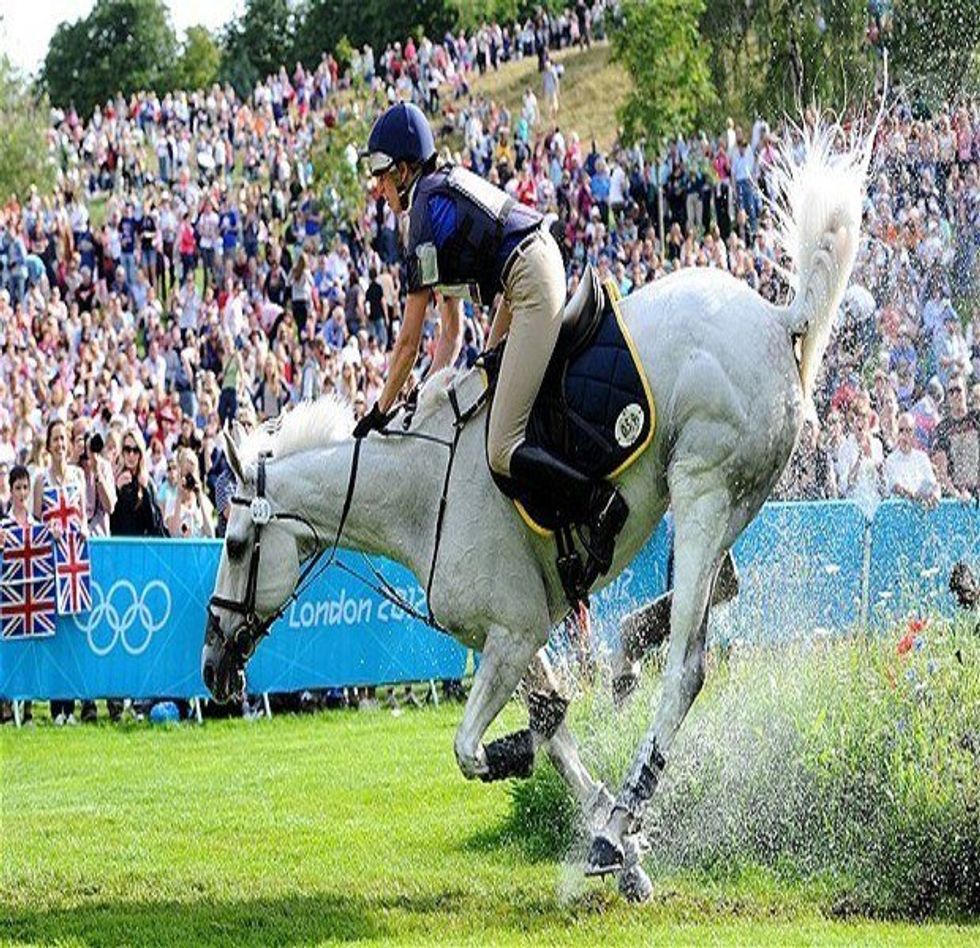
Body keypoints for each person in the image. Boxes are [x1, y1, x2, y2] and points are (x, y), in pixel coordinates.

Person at [356, 102, 627, 584]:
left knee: (501, 448)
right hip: (524, 276)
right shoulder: (434, 199)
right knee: (483, 399)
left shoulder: (422, 213)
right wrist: (423, 394)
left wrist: (378, 412)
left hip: (527, 281)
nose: (377, 188)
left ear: (402, 169)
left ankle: (597, 503)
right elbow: (451, 332)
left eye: (380, 175)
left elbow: (407, 342)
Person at [0, 465, 37, 725]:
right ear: (10, 491)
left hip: (30, 594)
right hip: (8, 593)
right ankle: (6, 705)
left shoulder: (36, 524)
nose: (22, 493)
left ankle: (28, 707)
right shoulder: (3, 524)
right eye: (18, 488)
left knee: (29, 649)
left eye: (26, 487)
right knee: (8, 649)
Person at [884, 412, 940, 507]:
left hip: (922, 510)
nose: (905, 434)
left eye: (908, 430)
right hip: (901, 512)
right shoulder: (891, 460)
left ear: (913, 433)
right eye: (901, 430)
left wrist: (936, 496)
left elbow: (934, 485)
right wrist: (917, 497)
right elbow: (896, 488)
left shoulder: (922, 458)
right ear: (897, 433)